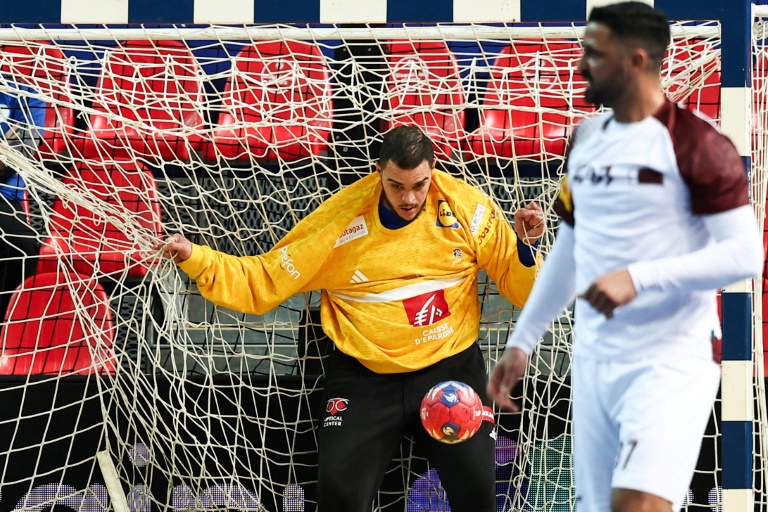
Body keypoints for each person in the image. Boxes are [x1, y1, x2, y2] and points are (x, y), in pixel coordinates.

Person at [155, 125, 546, 512]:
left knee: (481, 493)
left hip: (450, 368)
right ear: (379, 173)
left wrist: (526, 252)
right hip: (365, 375)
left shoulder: (466, 208)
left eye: (420, 184)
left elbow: (521, 289)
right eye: (396, 186)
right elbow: (262, 281)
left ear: (433, 171)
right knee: (339, 496)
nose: (409, 198)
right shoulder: (339, 222)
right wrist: (196, 257)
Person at [487, 3, 763, 512]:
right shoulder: (586, 140)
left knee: (636, 505)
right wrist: (523, 340)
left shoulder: (698, 143)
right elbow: (571, 247)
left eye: (595, 54)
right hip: (596, 360)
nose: (579, 66)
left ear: (636, 61)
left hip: (670, 359)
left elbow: (746, 253)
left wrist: (640, 276)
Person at [0, 77, 46, 317]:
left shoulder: (27, 94)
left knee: (22, 243)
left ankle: (6, 332)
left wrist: (7, 155)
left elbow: (19, 156)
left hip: (3, 198)